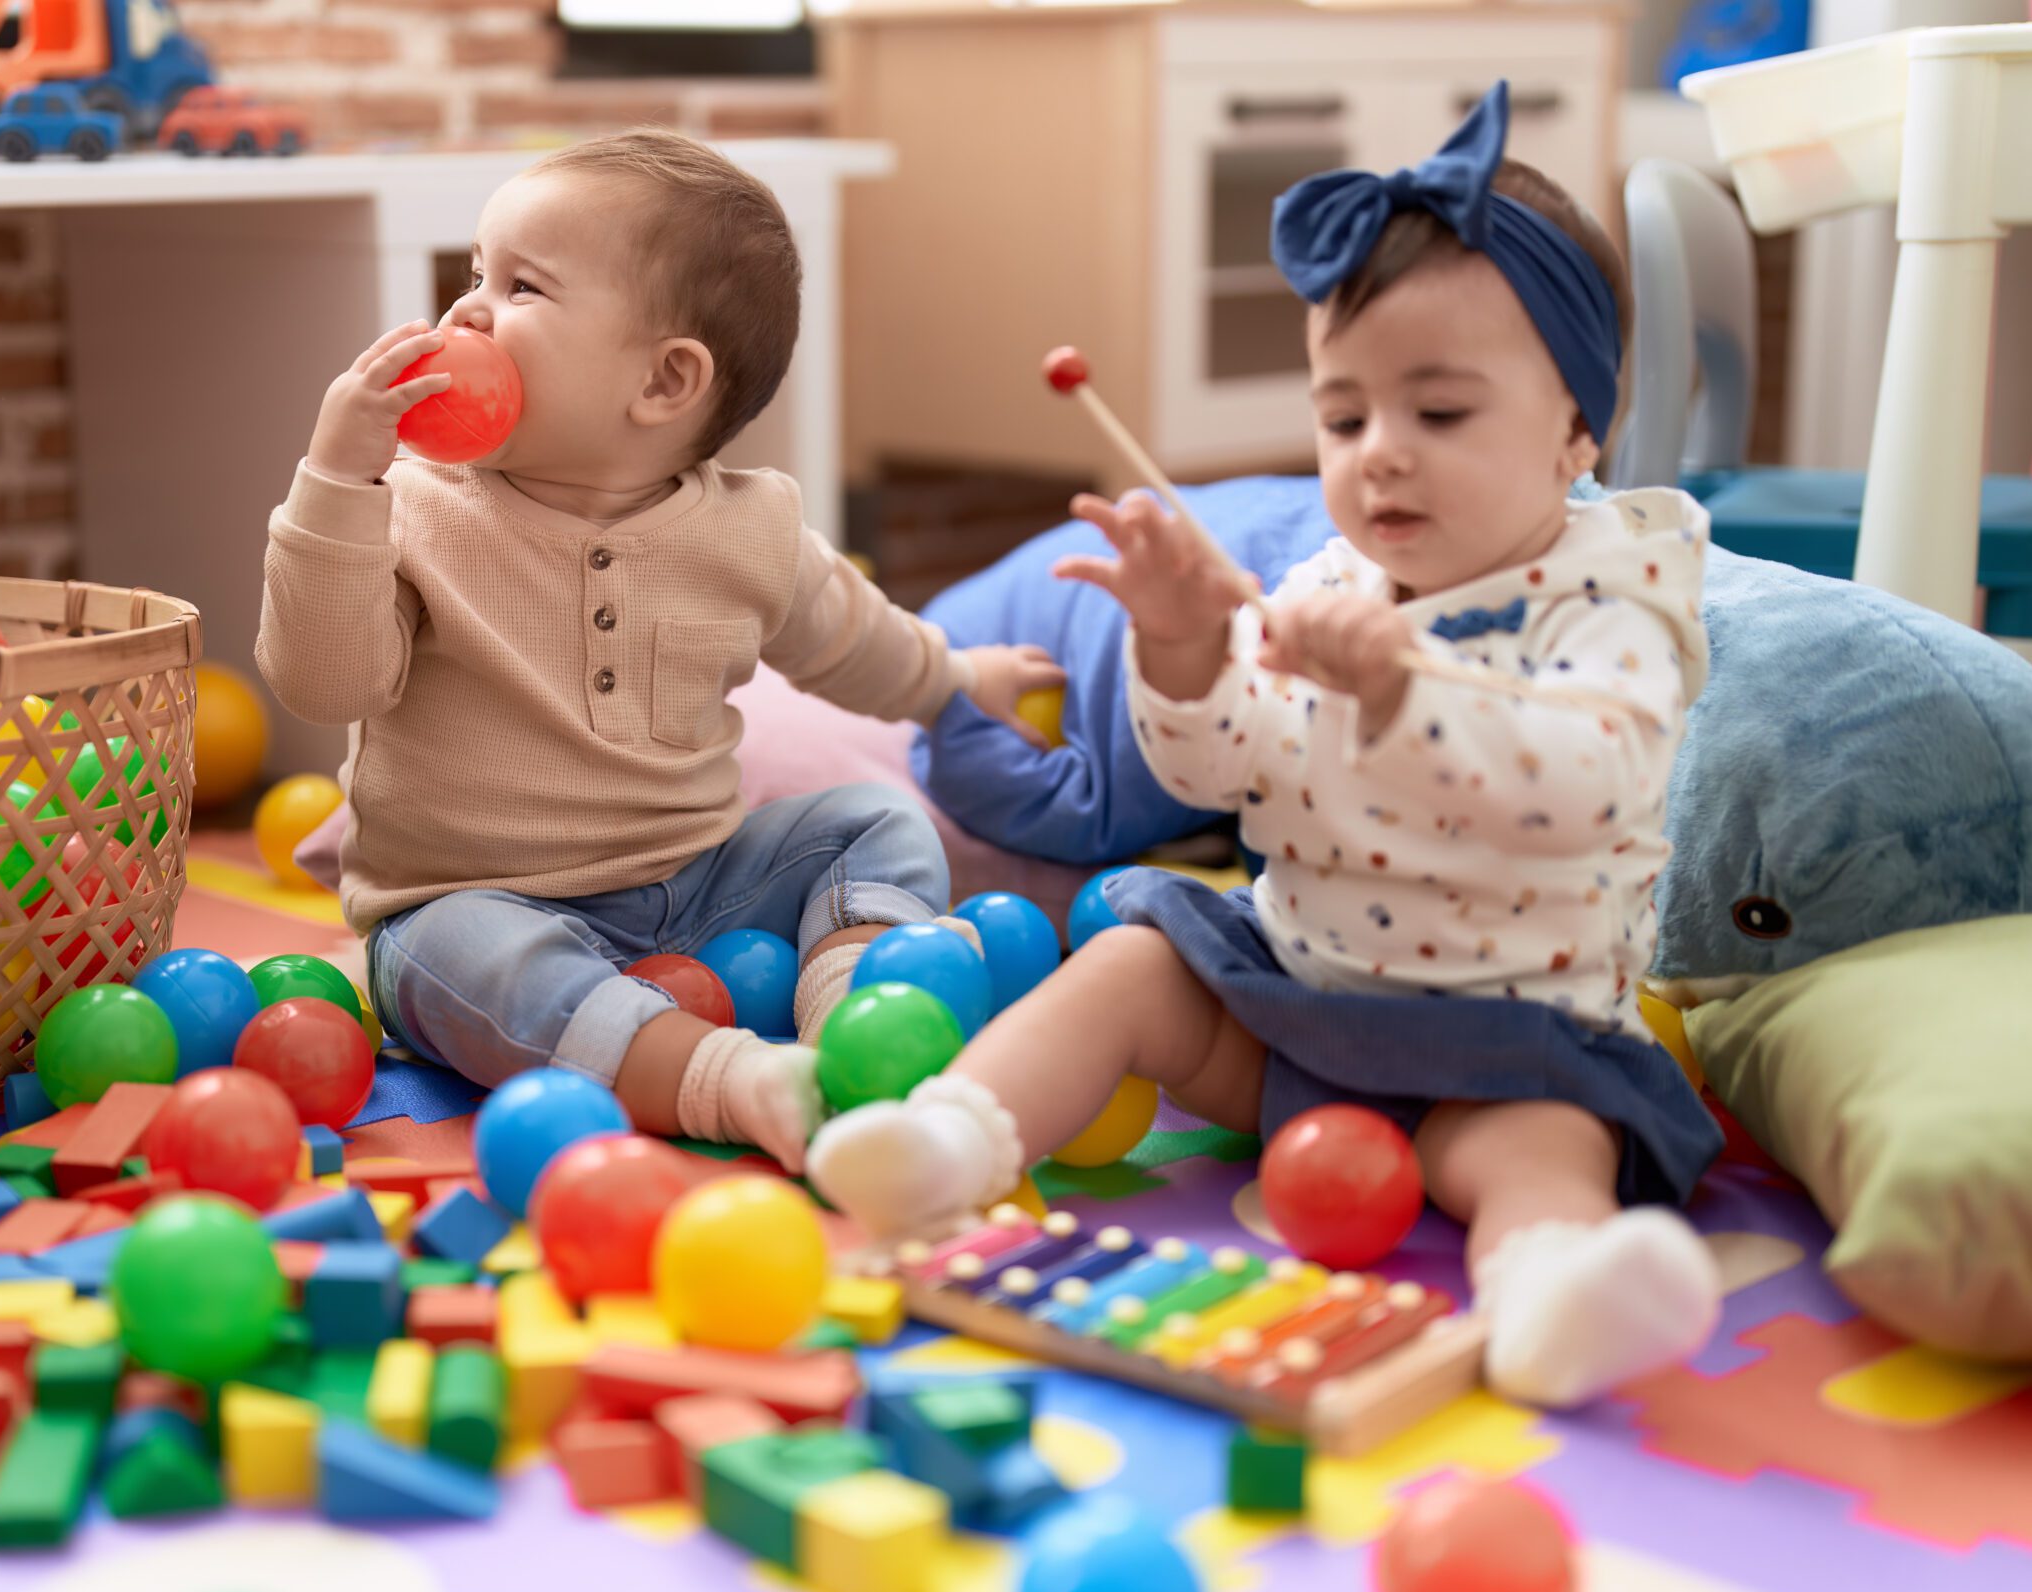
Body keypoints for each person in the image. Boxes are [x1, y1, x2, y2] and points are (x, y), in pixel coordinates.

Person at [806, 85, 1724, 1408]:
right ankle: (949, 1137)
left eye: (1441, 414)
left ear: (1579, 427)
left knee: (1545, 1148)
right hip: (1294, 1004)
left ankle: (1548, 1299)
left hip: (1507, 1042)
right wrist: (1181, 648)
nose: (1381, 458)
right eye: (1344, 419)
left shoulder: (1617, 601)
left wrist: (1406, 696)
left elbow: (1587, 784)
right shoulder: (1332, 575)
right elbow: (1214, 770)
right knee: (1126, 960)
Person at [255, 129, 1061, 1172]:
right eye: (472, 276)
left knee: (874, 820)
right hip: (480, 900)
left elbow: (852, 643)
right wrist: (336, 484)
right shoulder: (408, 512)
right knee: (438, 955)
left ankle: (853, 1031)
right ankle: (735, 1083)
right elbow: (325, 683)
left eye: (522, 288)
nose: (465, 313)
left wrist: (958, 678)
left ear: (665, 382)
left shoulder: (751, 529)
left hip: (696, 887)